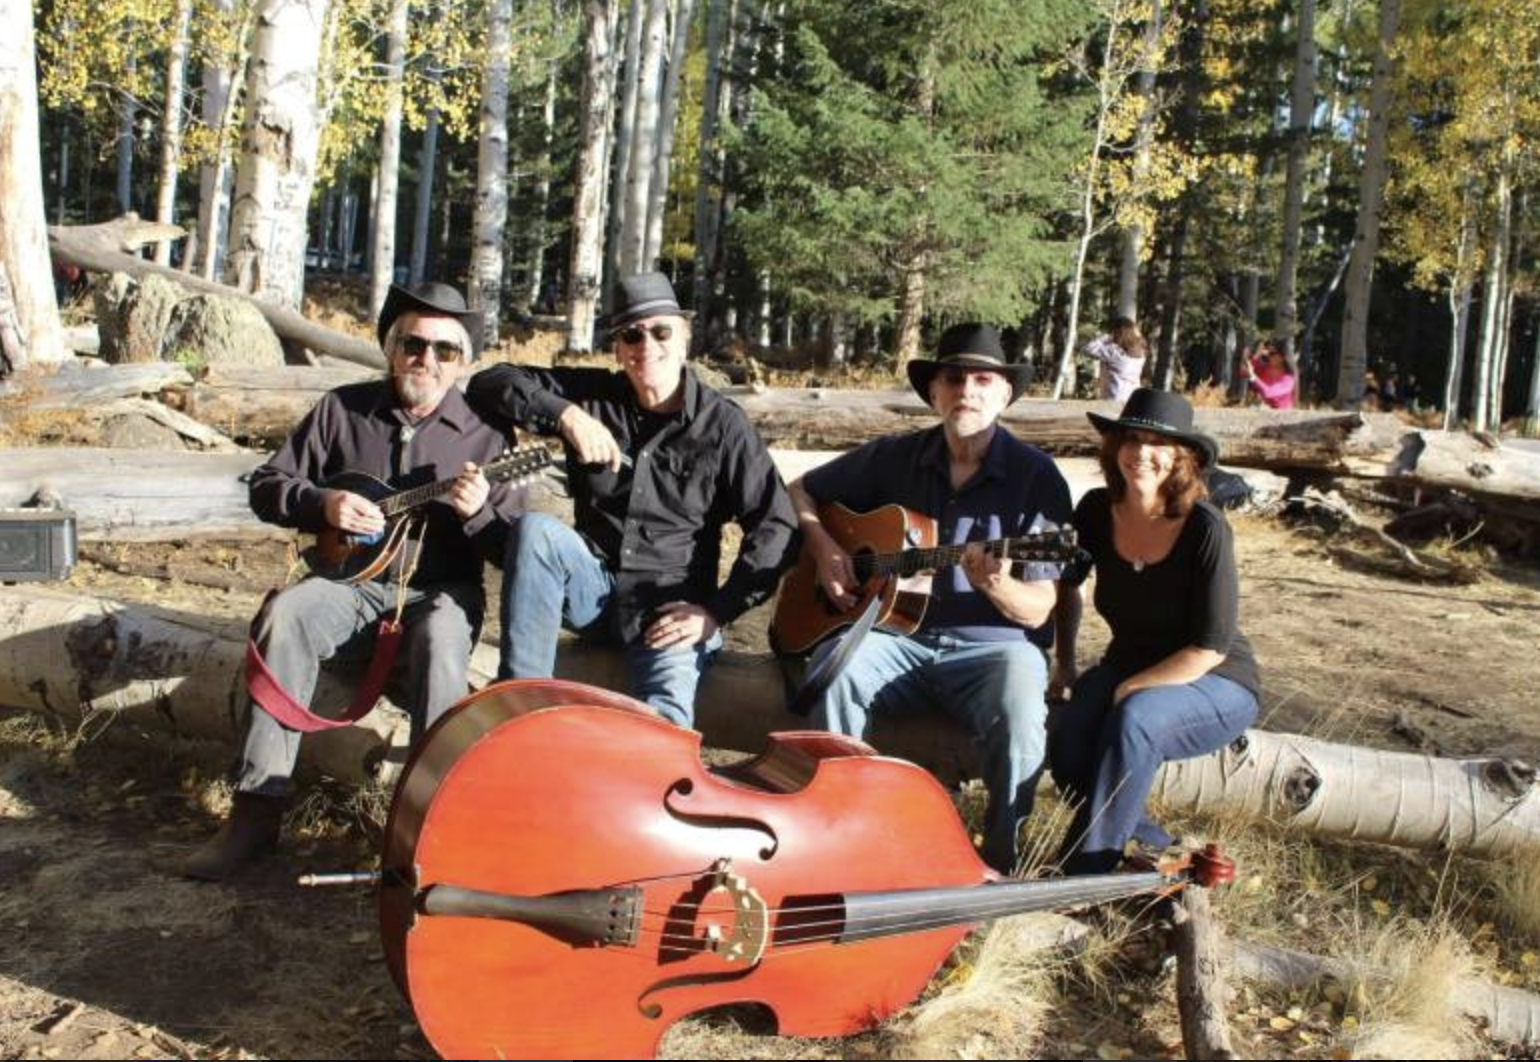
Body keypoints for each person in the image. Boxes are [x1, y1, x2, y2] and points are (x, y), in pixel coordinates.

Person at [183, 282, 525, 881]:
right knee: (286, 614)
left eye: (445, 350)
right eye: (414, 344)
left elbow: (509, 549)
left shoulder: (488, 437)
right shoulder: (342, 409)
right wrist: (323, 505)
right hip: (347, 582)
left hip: (437, 590)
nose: (428, 360)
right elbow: (267, 485)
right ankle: (255, 814)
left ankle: (430, 826)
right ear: (391, 349)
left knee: (444, 639)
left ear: (463, 362)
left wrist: (479, 514)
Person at [787, 324, 1072, 875]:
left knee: (1020, 695)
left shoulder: (1037, 478)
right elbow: (801, 490)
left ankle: (999, 854)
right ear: (934, 392)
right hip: (898, 636)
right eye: (954, 378)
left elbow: (1039, 609)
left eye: (983, 379)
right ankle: (842, 829)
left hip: (992, 650)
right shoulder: (896, 457)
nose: (968, 389)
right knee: (832, 667)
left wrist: (995, 584)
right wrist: (823, 548)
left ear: (1004, 394)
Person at [465, 272, 798, 727]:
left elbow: (777, 525)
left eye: (661, 331)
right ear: (619, 349)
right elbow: (489, 381)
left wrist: (715, 613)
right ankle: (521, 713)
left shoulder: (723, 427)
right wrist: (566, 416)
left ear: (684, 339)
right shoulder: (595, 399)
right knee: (536, 531)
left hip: (670, 613)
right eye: (631, 335)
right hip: (594, 594)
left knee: (663, 728)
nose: (646, 346)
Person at [1049, 388, 1260, 875]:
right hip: (1128, 664)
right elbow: (1068, 587)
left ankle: (1083, 874)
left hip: (1217, 680)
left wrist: (1131, 687)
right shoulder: (1096, 511)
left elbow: (1210, 646)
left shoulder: (1205, 528)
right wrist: (1065, 663)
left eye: (1158, 443)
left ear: (1181, 458)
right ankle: (1159, 848)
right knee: (1069, 736)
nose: (1141, 453)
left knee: (1136, 716)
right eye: (1131, 438)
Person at [1083, 316, 1148, 403]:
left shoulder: (1114, 351)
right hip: (1133, 399)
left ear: (1116, 331)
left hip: (1114, 398)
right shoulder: (1140, 352)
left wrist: (1107, 337)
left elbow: (1088, 349)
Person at [1237, 340, 1296, 410]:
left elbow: (1269, 393)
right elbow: (1243, 372)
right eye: (1267, 352)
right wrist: (1256, 355)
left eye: (1272, 353)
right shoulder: (1264, 369)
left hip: (1282, 417)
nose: (1268, 355)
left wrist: (1253, 376)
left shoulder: (1288, 379)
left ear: (1282, 357)